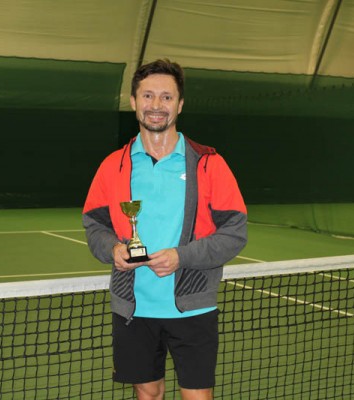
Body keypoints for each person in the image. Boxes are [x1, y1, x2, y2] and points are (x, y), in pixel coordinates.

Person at [82, 59, 247, 400]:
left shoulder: (209, 164)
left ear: (180, 104)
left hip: (193, 307)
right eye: (148, 96)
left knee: (197, 397)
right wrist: (112, 249)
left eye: (166, 97)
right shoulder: (112, 166)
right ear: (133, 101)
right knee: (147, 392)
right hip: (133, 308)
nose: (156, 105)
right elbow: (94, 224)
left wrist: (181, 257)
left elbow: (234, 232)